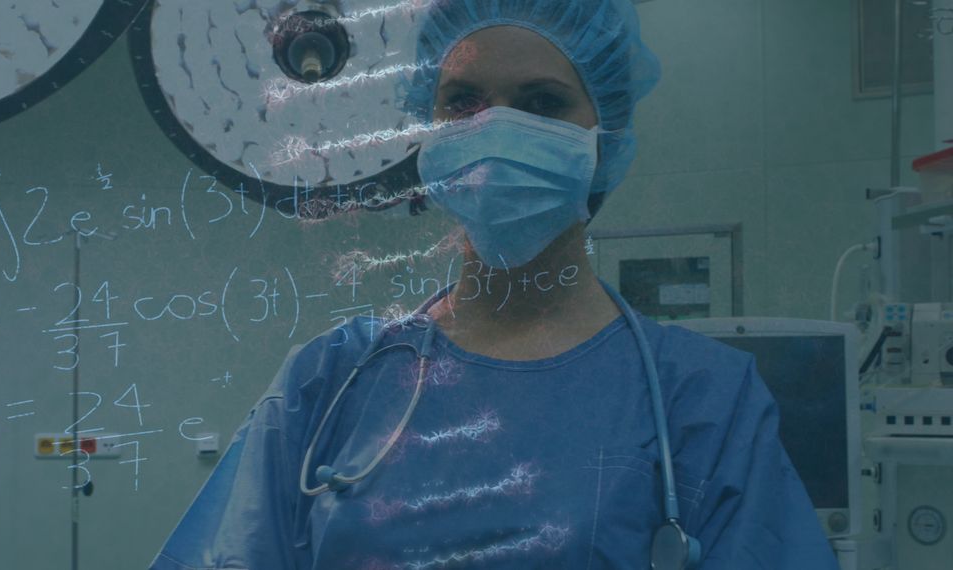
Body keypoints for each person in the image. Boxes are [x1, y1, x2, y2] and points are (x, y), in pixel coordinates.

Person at [151, 0, 840, 568]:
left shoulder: (701, 403)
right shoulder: (331, 383)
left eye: (542, 104)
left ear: (605, 137)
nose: (498, 128)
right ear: (429, 127)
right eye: (464, 102)